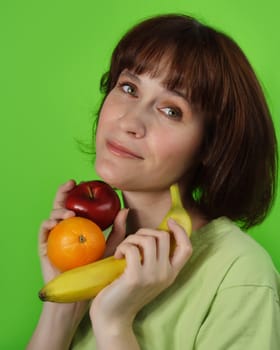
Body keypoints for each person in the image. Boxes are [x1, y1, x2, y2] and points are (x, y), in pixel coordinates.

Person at [27, 13, 280, 350]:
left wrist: (115, 325)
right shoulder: (95, 249)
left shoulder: (240, 274)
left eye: (171, 110)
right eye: (128, 88)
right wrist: (63, 311)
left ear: (209, 145)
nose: (131, 120)